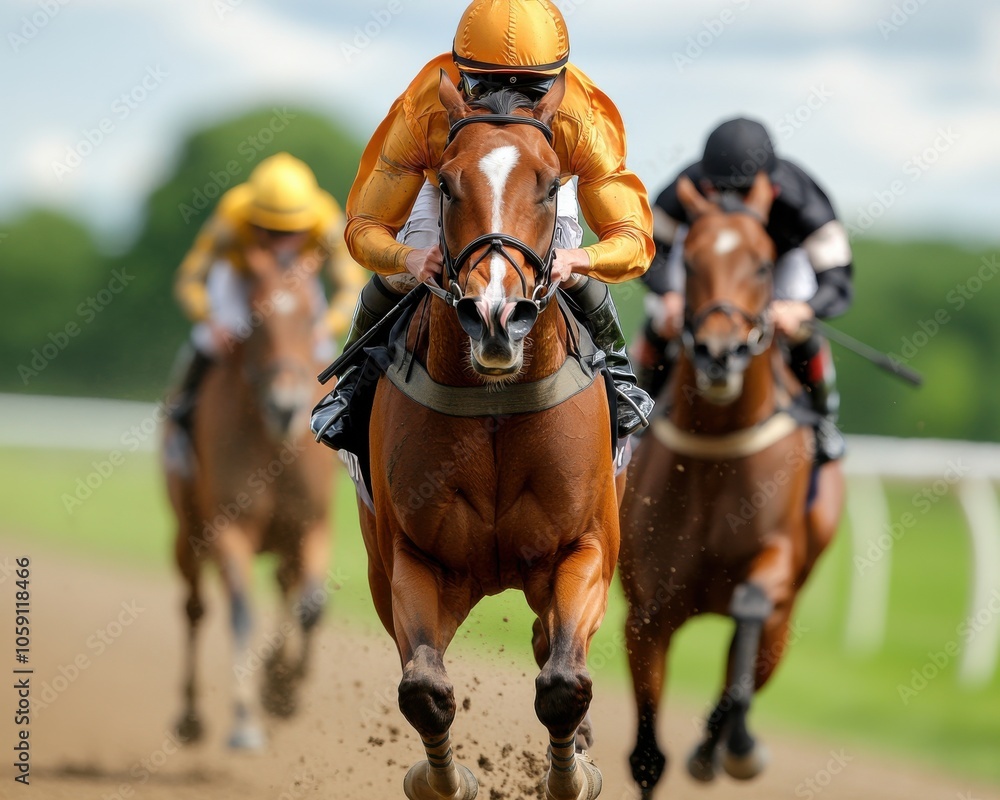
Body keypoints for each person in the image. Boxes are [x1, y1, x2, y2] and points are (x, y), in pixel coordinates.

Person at [310, 0, 655, 449]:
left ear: (554, 88)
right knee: (404, 272)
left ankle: (618, 374)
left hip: (536, 184)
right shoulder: (423, 110)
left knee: (564, 269)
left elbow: (633, 239)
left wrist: (579, 259)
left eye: (532, 92)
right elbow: (365, 227)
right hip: (451, 183)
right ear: (460, 76)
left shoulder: (580, 119)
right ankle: (350, 384)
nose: (505, 103)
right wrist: (406, 258)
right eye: (483, 87)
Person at [636, 117, 852, 462]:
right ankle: (635, 413)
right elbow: (645, 250)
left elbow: (837, 278)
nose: (730, 203)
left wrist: (804, 309)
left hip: (778, 264)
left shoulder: (802, 200)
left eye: (743, 192)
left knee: (802, 332)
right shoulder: (686, 185)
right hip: (711, 261)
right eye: (720, 191)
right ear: (706, 180)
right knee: (661, 319)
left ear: (769, 185)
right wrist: (668, 294)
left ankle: (824, 418)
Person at [171, 152, 366, 431]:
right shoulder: (232, 216)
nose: (280, 244)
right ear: (253, 222)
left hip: (300, 276)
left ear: (308, 224)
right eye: (270, 232)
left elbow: (351, 285)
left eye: (292, 233)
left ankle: (342, 420)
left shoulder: (326, 222)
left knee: (321, 346)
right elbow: (190, 278)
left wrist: (329, 324)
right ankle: (182, 410)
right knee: (208, 340)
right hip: (241, 277)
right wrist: (210, 320)